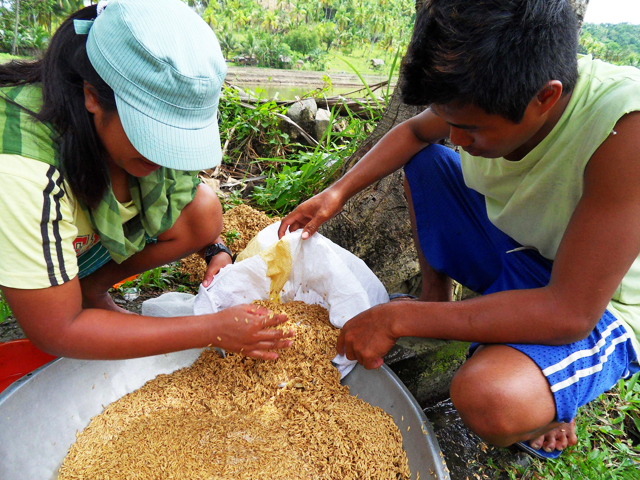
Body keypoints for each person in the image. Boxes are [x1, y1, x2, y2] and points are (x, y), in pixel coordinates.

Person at [279, 0, 640, 459]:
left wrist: (397, 318)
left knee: (490, 400)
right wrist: (337, 192)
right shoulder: (487, 84)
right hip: (519, 247)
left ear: (545, 98)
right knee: (428, 162)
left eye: (471, 129)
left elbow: (569, 312)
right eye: (450, 121)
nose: (457, 140)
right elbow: (415, 134)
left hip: (595, 299)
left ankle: (550, 410)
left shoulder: (624, 126)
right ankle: (436, 296)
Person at [0, 0, 294, 361]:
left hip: (75, 243)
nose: (163, 157)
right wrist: (212, 328)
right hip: (18, 235)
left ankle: (89, 291)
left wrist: (215, 250)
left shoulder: (122, 131)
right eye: (153, 136)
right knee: (61, 317)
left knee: (202, 212)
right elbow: (57, 331)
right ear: (92, 95)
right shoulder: (22, 171)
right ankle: (67, 298)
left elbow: (188, 203)